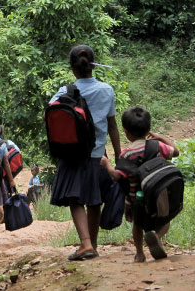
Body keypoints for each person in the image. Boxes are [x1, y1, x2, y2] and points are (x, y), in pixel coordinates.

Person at [49, 45, 121, 261]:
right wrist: (119, 155)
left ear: (73, 68)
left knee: (76, 199)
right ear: (93, 66)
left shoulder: (65, 91)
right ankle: (93, 245)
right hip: (98, 155)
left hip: (72, 153)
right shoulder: (107, 90)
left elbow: (50, 112)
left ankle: (85, 244)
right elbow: (112, 125)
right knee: (94, 199)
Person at [100, 105, 179, 262]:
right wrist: (160, 137)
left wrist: (107, 164)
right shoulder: (157, 146)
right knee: (165, 221)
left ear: (126, 132)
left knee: (137, 225)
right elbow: (175, 151)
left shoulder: (127, 154)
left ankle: (140, 254)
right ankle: (157, 236)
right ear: (149, 128)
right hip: (159, 195)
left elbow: (117, 175)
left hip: (136, 198)